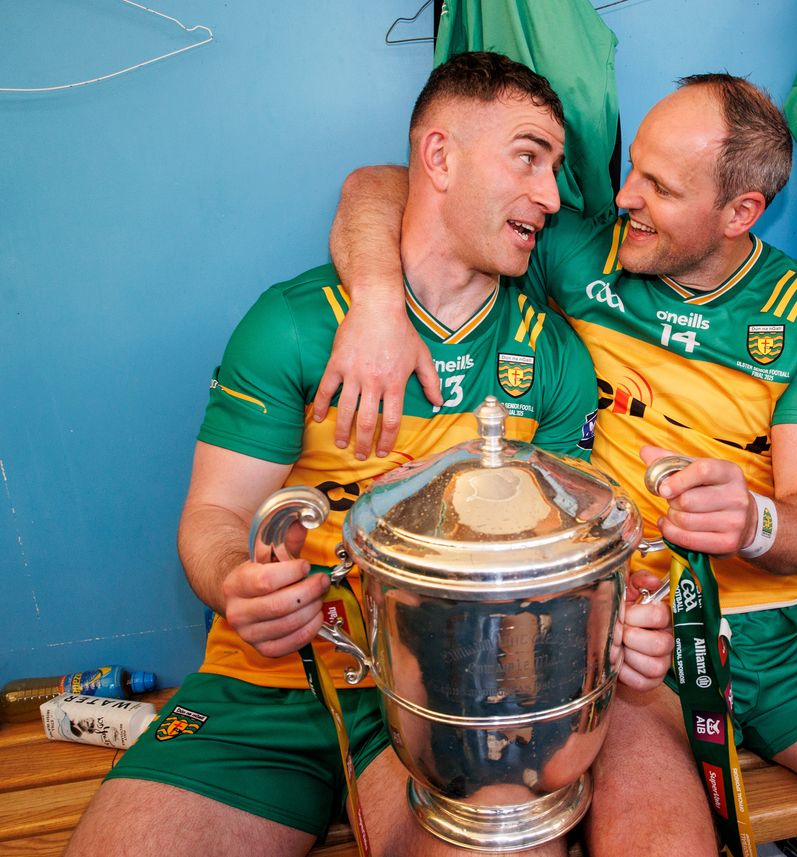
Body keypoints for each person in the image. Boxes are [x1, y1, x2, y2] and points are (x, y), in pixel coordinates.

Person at [325, 69, 797, 855]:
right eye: (634, 171)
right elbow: (383, 185)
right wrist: (379, 300)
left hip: (782, 625)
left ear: (740, 212)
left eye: (657, 186)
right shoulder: (580, 250)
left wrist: (755, 519)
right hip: (628, 638)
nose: (623, 197)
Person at [64, 53, 672, 857]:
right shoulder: (293, 323)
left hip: (456, 694)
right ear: (440, 157)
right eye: (529, 156)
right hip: (272, 679)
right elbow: (214, 516)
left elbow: (573, 560)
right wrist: (238, 584)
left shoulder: (552, 354)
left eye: (556, 167)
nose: (551, 197)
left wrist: (624, 618)